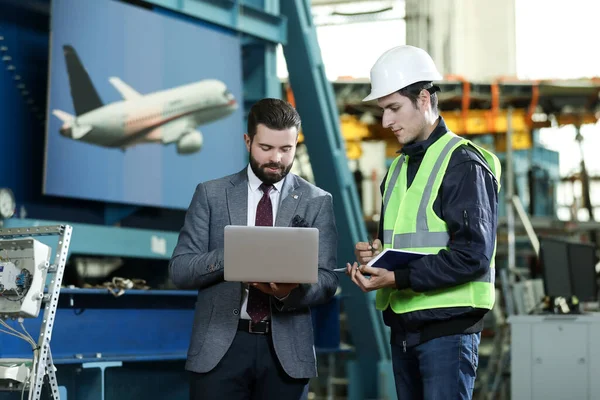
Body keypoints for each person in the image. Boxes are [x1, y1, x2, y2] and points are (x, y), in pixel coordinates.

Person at [345, 45, 501, 399]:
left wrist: (398, 276)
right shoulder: (398, 168)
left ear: (425, 99)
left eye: (394, 108)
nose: (386, 122)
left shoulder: (463, 164)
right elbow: (404, 243)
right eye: (383, 110)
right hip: (404, 329)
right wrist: (375, 255)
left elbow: (472, 255)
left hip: (448, 331)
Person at [169, 98, 339, 400]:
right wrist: (236, 256)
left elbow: (327, 281)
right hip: (221, 348)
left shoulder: (317, 201)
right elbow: (180, 270)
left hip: (286, 353)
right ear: (248, 141)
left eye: (286, 149)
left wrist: (287, 292)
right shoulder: (211, 194)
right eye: (266, 148)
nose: (276, 158)